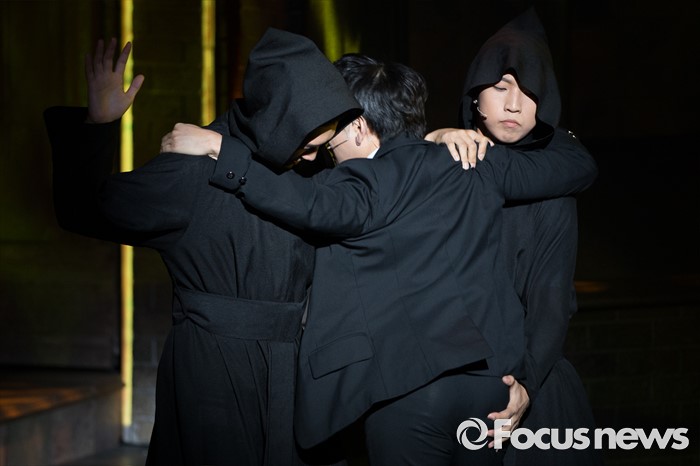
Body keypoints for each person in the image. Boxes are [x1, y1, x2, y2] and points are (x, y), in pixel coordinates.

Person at [163, 52, 597, 465]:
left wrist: (220, 149)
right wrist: (438, 138)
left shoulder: (364, 182)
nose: (329, 153)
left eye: (332, 138)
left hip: (408, 397)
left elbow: (306, 203)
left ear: (357, 127)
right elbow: (577, 167)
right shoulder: (478, 163)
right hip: (489, 389)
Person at [45, 29, 361, 465]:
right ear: (276, 120)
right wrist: (99, 125)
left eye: (321, 147)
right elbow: (85, 209)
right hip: (214, 369)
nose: (313, 158)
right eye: (307, 146)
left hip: (295, 369)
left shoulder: (311, 172)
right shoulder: (190, 171)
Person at [425, 8, 602, 465]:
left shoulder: (552, 182)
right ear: (475, 95)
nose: (514, 104)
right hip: (445, 387)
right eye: (501, 87)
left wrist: (525, 383)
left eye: (529, 90)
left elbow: (551, 301)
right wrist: (433, 142)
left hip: (528, 387)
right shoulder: (438, 170)